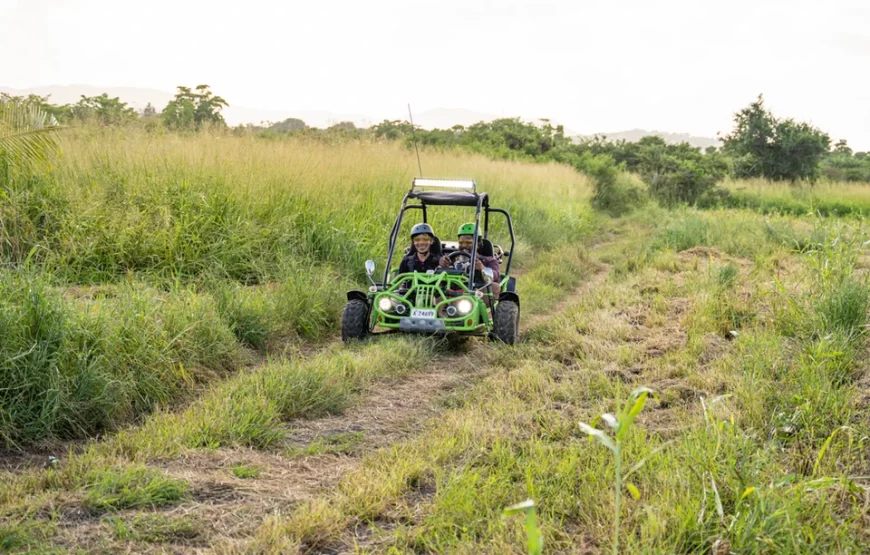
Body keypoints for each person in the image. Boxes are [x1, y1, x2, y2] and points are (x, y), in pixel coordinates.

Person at [440, 223, 501, 301]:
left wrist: (482, 268)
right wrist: (443, 266)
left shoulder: (488, 260)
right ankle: (435, 311)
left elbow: (496, 276)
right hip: (451, 294)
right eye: (461, 243)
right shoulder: (452, 259)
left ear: (478, 244)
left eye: (468, 242)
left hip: (477, 295)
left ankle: (485, 312)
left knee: (494, 287)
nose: (464, 245)